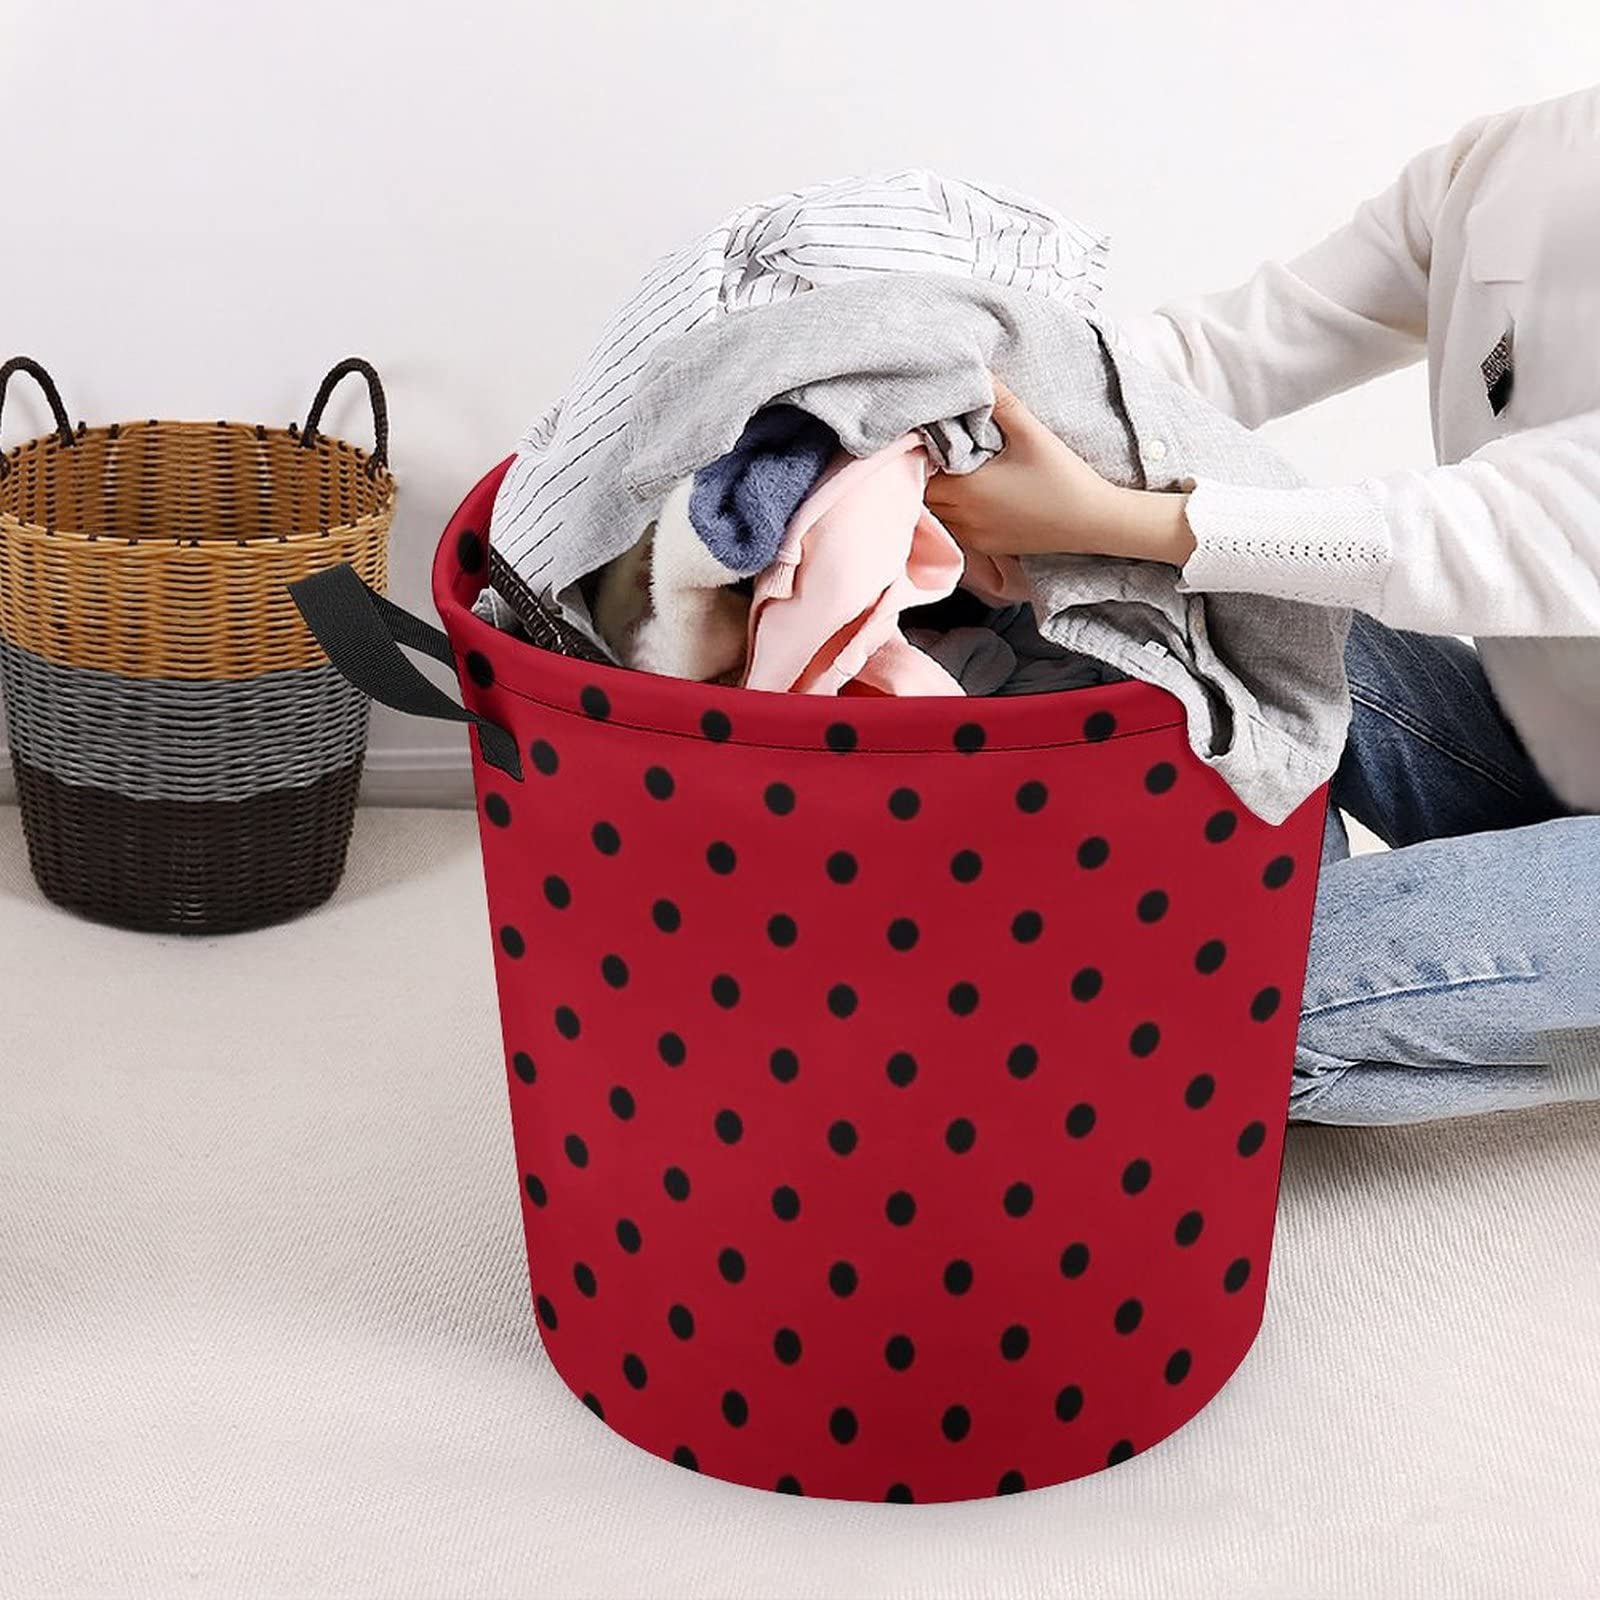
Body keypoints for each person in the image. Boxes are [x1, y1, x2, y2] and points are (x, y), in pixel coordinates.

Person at [926, 84, 1600, 1125]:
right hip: (1555, 762)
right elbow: (1221, 354)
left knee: (1211, 1003)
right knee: (1199, 607)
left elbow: (1497, 524)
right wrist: (949, 408)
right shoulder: (1508, 162)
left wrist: (1107, 516)